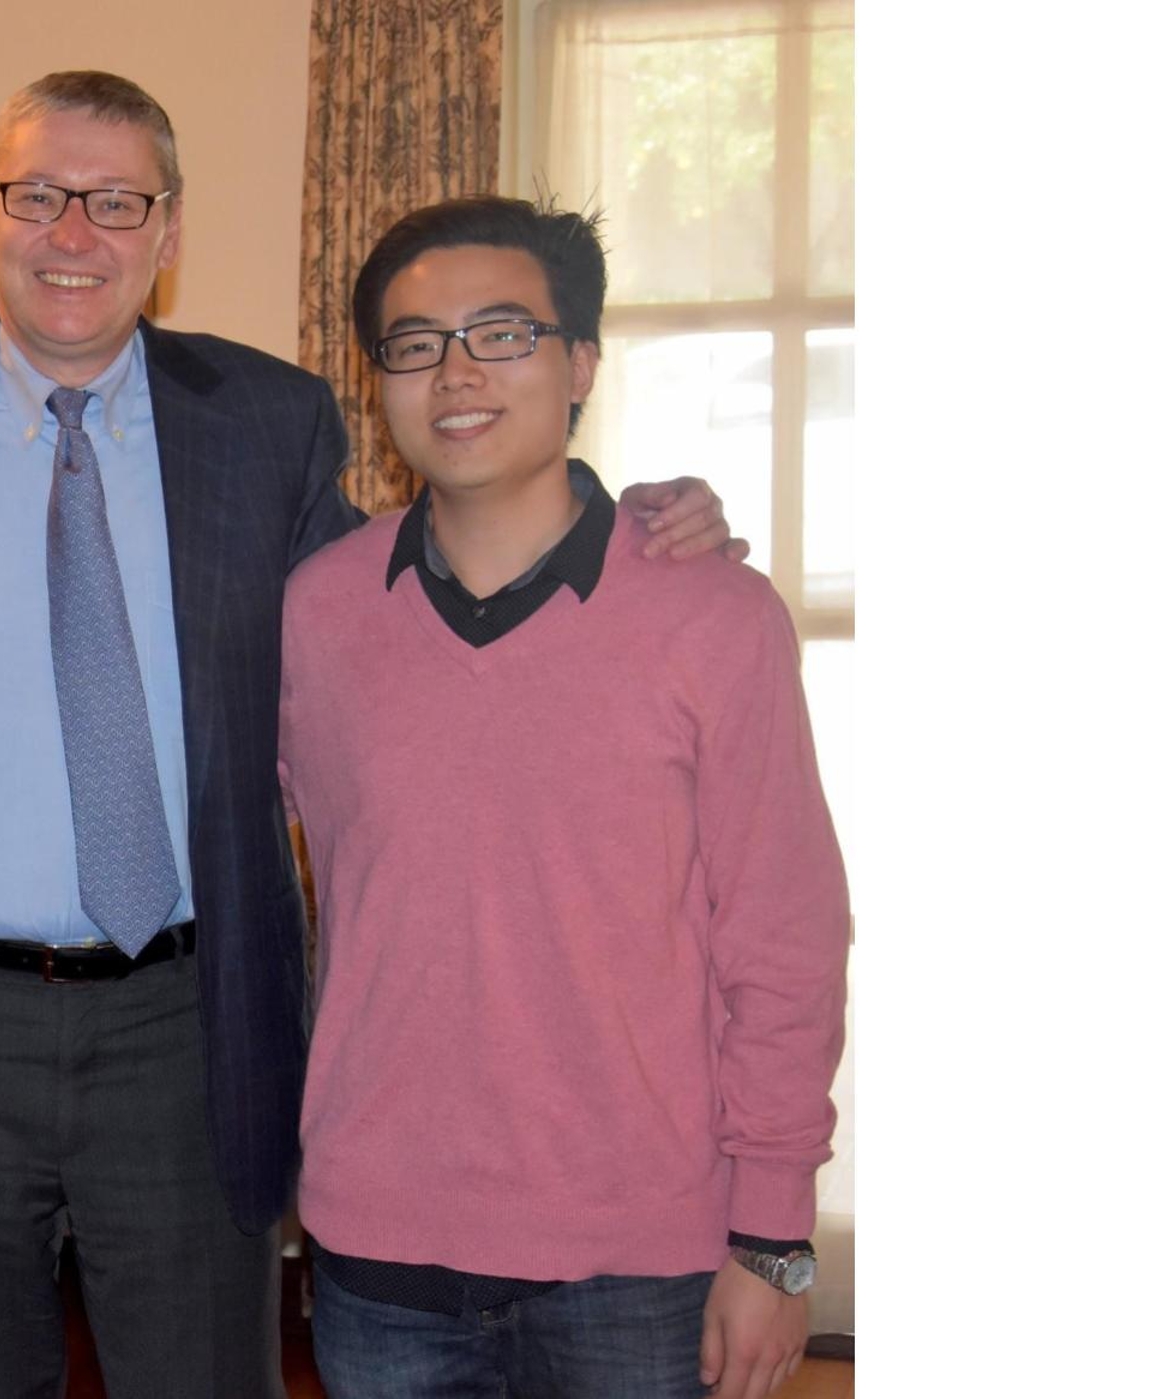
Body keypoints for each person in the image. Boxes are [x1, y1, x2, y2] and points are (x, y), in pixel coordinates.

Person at [0, 72, 739, 1397]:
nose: (74, 234)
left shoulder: (267, 423)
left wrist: (620, 517)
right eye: (39, 194)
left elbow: (419, 600)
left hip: (185, 1022)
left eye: (118, 201)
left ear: (167, 234)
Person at [276, 194, 847, 1399]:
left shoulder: (713, 616)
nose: (458, 372)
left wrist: (775, 1237)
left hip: (642, 1264)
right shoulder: (316, 614)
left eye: (503, 333)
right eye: (415, 342)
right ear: (375, 378)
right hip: (380, 1250)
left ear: (581, 359)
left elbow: (784, 946)